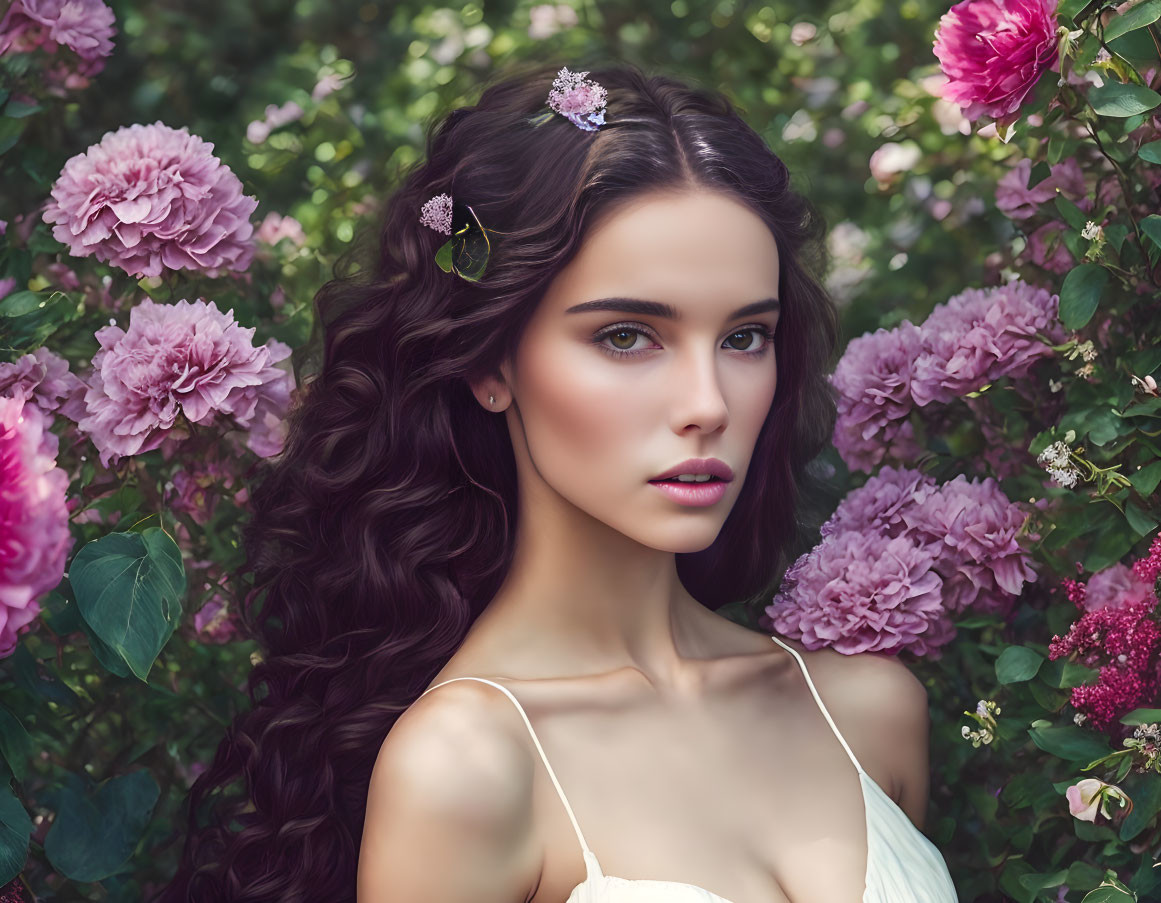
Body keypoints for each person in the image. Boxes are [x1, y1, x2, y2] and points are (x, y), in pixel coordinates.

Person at [154, 60, 958, 903]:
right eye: (624, 336)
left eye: (743, 337)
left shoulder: (869, 712)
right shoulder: (465, 769)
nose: (706, 403)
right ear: (491, 362)